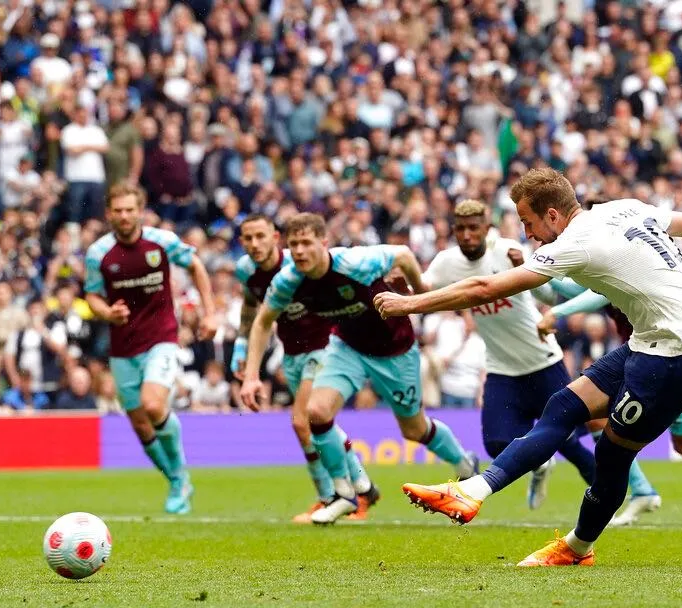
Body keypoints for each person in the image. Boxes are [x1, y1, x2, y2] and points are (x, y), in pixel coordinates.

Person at [375, 168, 682, 566]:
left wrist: (409, 305)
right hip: (650, 344)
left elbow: (485, 287)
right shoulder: (623, 208)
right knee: (562, 407)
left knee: (611, 454)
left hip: (675, 358)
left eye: (529, 222)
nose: (529, 233)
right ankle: (474, 489)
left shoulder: (575, 241)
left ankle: (576, 549)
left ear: (553, 215)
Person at [240, 213, 478, 525]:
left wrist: (420, 296)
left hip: (395, 349)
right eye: (293, 244)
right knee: (316, 412)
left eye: (306, 243)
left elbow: (404, 255)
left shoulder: (357, 262)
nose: (298, 251)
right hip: (347, 346)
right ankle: (344, 494)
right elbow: (261, 322)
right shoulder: (288, 280)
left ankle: (464, 464)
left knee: (414, 430)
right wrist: (251, 376)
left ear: (324, 244)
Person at [421, 199, 597, 510]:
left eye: (474, 228)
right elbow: (423, 287)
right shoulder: (446, 262)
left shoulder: (506, 251)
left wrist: (521, 267)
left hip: (543, 360)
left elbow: (545, 293)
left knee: (567, 441)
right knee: (495, 444)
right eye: (460, 229)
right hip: (501, 367)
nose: (467, 235)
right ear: (453, 231)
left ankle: (606, 499)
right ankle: (541, 466)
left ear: (486, 229)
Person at [538, 284, 682, 525]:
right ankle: (642, 491)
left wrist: (555, 307)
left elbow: (593, 294)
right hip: (640, 361)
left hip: (678, 356)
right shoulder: (602, 268)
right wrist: (536, 275)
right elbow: (574, 288)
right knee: (597, 418)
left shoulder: (623, 269)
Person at [230, 214, 377, 523]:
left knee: (302, 422)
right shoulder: (246, 271)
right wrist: (242, 349)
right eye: (248, 238)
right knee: (315, 424)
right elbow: (251, 309)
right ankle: (359, 488)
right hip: (292, 352)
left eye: (261, 236)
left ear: (275, 237)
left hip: (324, 347)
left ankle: (338, 496)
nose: (255, 244)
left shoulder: (299, 264)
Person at [84, 182, 218, 514]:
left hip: (161, 338)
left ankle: (179, 474)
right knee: (141, 423)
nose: (125, 216)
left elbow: (197, 266)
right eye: (118, 210)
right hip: (123, 347)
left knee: (153, 404)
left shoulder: (162, 242)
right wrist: (107, 313)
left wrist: (210, 312)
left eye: (131, 210)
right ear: (108, 214)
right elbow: (92, 295)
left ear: (141, 211)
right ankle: (177, 479)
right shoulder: (98, 254)